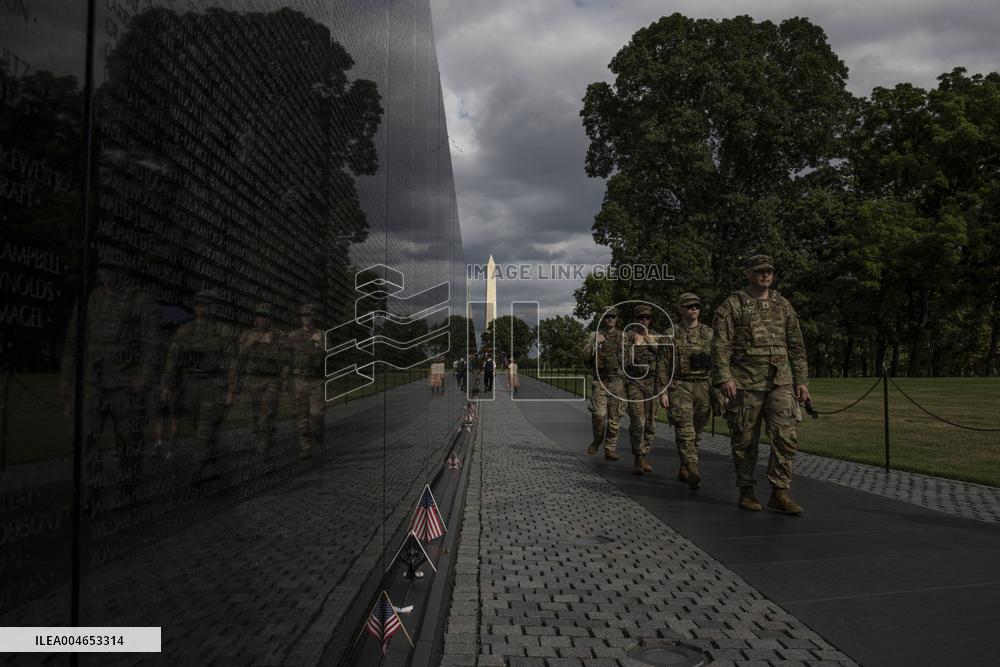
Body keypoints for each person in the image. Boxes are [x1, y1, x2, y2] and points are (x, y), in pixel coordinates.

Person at [711, 254, 811, 515]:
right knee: (745, 440)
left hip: (780, 381)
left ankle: (780, 492)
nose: (765, 275)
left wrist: (802, 381)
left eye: (769, 271)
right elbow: (720, 345)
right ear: (749, 274)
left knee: (785, 437)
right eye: (760, 271)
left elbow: (797, 346)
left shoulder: (782, 304)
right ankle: (746, 490)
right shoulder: (733, 304)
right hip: (744, 383)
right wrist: (725, 377)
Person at [159, 290, 232, 483]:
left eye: (206, 305)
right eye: (199, 304)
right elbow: (173, 359)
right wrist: (166, 384)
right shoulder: (185, 331)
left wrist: (231, 390)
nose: (202, 308)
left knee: (206, 427)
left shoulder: (222, 331)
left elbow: (231, 362)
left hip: (213, 384)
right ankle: (210, 464)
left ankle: (197, 470)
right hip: (190, 384)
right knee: (197, 425)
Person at [666, 293, 713, 490]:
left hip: (703, 386)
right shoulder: (671, 333)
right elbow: (663, 365)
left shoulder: (710, 334)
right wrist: (663, 391)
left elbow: (719, 363)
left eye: (696, 306)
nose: (693, 309)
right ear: (681, 309)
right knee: (684, 428)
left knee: (696, 432)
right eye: (689, 306)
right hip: (680, 385)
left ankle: (684, 464)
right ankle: (693, 468)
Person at [231, 302, 285, 458]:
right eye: (260, 316)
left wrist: (271, 344)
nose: (263, 319)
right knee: (256, 417)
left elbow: (285, 358)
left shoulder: (278, 335)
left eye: (266, 316)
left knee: (266, 415)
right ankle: (263, 442)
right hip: (252, 380)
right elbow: (239, 358)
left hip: (271, 380)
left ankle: (264, 451)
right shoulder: (247, 335)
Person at [623, 303, 671, 475]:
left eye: (647, 317)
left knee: (650, 423)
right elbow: (624, 363)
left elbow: (666, 361)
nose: (644, 320)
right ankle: (638, 456)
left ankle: (645, 455)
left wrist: (652, 343)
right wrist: (635, 345)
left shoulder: (657, 337)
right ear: (634, 319)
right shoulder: (627, 337)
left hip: (653, 384)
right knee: (638, 421)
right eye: (640, 317)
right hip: (634, 383)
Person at [581, 307, 625, 461]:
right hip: (600, 382)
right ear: (602, 318)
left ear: (616, 318)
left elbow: (630, 359)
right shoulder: (594, 335)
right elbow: (584, 356)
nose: (610, 319)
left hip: (617, 382)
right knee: (599, 415)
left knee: (615, 419)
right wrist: (595, 344)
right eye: (607, 316)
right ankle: (598, 439)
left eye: (613, 316)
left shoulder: (623, 337)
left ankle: (610, 448)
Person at [284, 303, 324, 459]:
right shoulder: (293, 336)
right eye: (303, 315)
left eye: (309, 315)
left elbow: (328, 354)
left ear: (313, 317)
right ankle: (305, 447)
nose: (306, 318)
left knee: (317, 415)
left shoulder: (321, 334)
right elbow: (287, 357)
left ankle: (319, 441)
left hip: (316, 382)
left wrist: (319, 342)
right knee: (301, 417)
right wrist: (285, 378)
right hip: (300, 380)